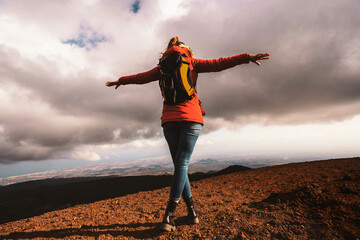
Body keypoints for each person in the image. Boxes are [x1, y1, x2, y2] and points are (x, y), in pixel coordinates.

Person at [106, 36, 269, 232]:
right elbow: (220, 64)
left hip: (169, 120)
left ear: (168, 51)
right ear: (186, 50)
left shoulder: (162, 68)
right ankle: (169, 215)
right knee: (181, 165)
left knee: (179, 165)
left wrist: (121, 81)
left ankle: (192, 212)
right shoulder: (191, 62)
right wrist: (247, 57)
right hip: (191, 117)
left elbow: (141, 78)